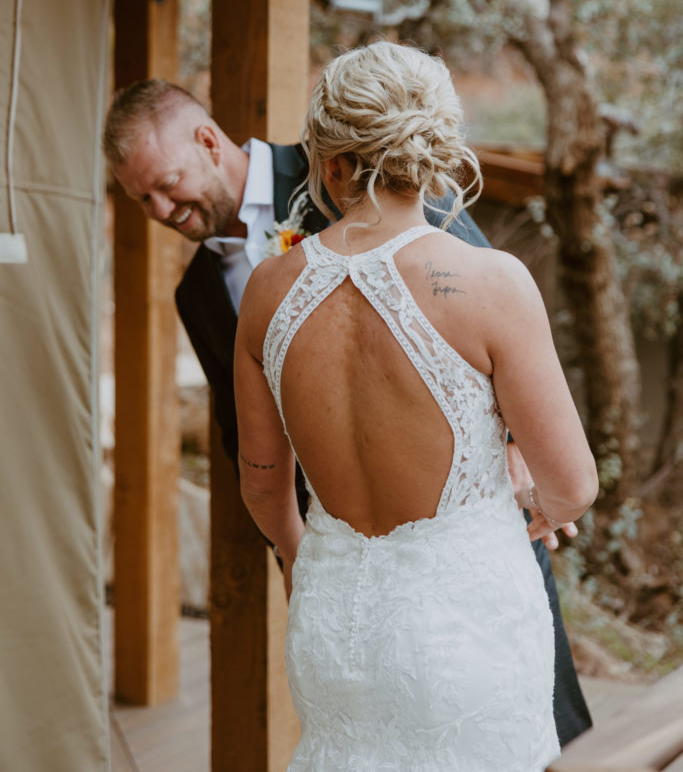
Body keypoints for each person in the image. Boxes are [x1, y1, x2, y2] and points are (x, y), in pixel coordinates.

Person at [103, 70, 594, 748]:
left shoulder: (289, 262)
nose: (158, 210)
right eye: (140, 199)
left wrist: (514, 458)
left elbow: (261, 478)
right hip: (383, 576)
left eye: (165, 184)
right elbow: (236, 433)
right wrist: (306, 564)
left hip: (391, 563)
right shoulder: (200, 293)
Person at [233, 41, 599, 771]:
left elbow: (265, 487)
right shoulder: (489, 282)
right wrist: (509, 511)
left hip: (334, 629)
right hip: (466, 624)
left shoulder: (266, 291)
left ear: (331, 163)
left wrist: (316, 566)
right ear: (430, 154)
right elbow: (572, 485)